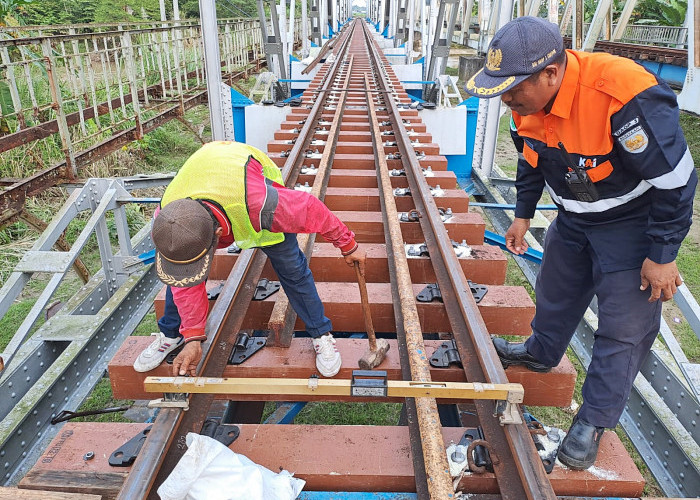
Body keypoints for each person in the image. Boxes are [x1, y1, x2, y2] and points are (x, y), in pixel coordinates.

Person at [465, 16, 696, 470]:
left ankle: (593, 420)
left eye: (513, 89)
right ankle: (540, 353)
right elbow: (532, 159)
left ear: (551, 73)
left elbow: (675, 180)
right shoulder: (525, 102)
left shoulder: (622, 94)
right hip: (574, 217)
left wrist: (662, 254)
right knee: (555, 292)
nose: (507, 99)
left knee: (623, 328)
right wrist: (522, 214)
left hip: (632, 222)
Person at [133, 141, 366, 378]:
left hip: (245, 180)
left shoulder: (265, 205)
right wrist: (193, 336)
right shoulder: (169, 219)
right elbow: (185, 280)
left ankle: (321, 334)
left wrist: (348, 245)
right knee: (182, 274)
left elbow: (312, 208)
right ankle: (171, 335)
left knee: (293, 270)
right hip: (208, 168)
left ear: (218, 235)